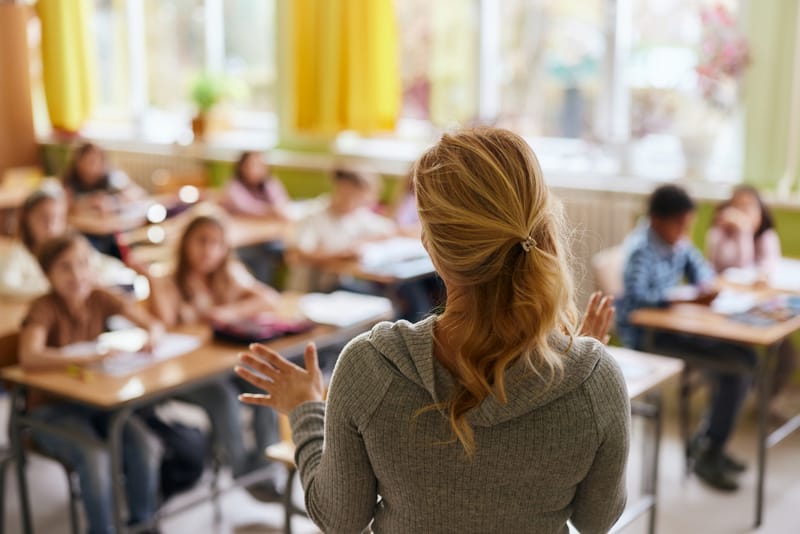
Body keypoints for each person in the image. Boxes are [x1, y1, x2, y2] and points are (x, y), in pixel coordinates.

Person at [236, 127, 630, 533]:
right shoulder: (596, 378)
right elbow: (596, 520)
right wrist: (582, 370)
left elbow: (340, 518)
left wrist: (305, 408)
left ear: (430, 244)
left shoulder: (370, 367)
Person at [18, 232, 163, 534]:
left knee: (144, 444)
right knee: (94, 456)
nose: (77, 274)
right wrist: (82, 358)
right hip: (50, 412)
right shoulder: (44, 307)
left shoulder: (99, 295)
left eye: (83, 264)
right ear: (48, 274)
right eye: (65, 267)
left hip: (97, 403)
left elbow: (152, 324)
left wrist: (152, 337)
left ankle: (143, 523)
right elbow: (30, 356)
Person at [617, 184, 754, 492]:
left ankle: (707, 441)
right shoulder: (641, 249)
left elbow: (700, 273)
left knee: (748, 358)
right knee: (738, 367)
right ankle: (709, 450)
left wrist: (706, 287)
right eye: (679, 224)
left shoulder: (677, 242)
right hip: (650, 337)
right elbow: (638, 299)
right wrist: (685, 300)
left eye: (687, 225)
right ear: (656, 219)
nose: (684, 231)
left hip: (677, 327)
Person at [148, 214, 283, 491]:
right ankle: (243, 473)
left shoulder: (228, 275)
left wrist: (227, 311)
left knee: (266, 383)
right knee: (223, 398)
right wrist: (155, 283)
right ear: (185, 243)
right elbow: (164, 325)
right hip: (183, 375)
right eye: (201, 241)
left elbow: (270, 298)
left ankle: (266, 464)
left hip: (223, 367)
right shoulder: (168, 281)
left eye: (216, 243)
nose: (208, 250)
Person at [706, 185, 796, 421]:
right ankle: (727, 404)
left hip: (761, 313)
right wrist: (742, 232)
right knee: (742, 358)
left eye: (749, 207)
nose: (743, 213)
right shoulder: (718, 236)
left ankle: (765, 401)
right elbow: (739, 265)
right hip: (723, 317)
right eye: (737, 207)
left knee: (786, 354)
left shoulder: (767, 236)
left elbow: (769, 267)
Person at [0, 188, 137, 298]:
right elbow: (6, 286)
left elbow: (109, 266)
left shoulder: (74, 248)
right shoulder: (18, 255)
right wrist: (58, 285)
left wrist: (90, 279)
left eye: (57, 218)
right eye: (43, 218)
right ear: (27, 220)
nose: (51, 226)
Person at [286, 168, 397, 292]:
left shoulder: (356, 214)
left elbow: (388, 230)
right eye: (350, 195)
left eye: (361, 199)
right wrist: (341, 253)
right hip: (311, 289)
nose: (355, 202)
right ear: (339, 188)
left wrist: (360, 243)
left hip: (340, 286)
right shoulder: (313, 215)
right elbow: (296, 255)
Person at [61, 142, 145, 258]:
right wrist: (88, 203)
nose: (92, 166)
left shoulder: (112, 177)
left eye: (96, 161)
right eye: (88, 161)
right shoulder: (70, 183)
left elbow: (137, 194)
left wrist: (112, 201)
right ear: (77, 162)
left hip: (112, 231)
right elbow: (65, 210)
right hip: (88, 233)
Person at [221, 151, 291, 285]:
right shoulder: (234, 187)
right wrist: (271, 211)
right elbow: (246, 208)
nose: (255, 169)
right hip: (241, 243)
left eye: (260, 165)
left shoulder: (269, 184)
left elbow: (282, 207)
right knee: (261, 257)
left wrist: (275, 210)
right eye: (251, 165)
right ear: (241, 167)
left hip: (265, 238)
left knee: (278, 252)